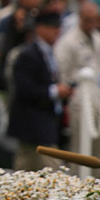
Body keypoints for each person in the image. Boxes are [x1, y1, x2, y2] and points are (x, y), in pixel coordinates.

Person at [7, 10, 72, 171]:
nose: (57, 32)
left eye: (58, 28)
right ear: (40, 29)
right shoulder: (29, 54)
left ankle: (16, 192)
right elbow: (24, 89)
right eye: (52, 27)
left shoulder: (48, 53)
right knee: (53, 167)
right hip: (33, 122)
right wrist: (54, 91)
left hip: (43, 121)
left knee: (26, 165)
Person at [54, 0, 100, 163]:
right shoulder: (68, 42)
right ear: (80, 18)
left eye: (95, 20)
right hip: (79, 97)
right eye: (88, 20)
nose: (92, 24)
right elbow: (61, 72)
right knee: (81, 146)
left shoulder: (99, 38)